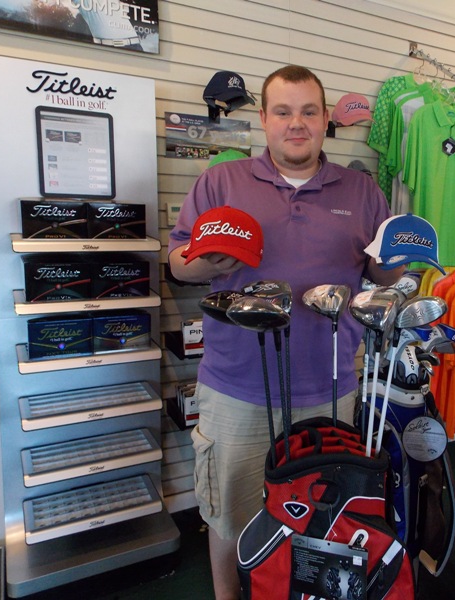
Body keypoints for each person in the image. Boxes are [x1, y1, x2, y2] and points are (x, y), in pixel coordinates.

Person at [167, 65, 402, 600]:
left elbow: (381, 274)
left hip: (331, 389)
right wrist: (206, 262)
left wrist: (399, 264)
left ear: (324, 119)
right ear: (264, 119)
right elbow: (179, 261)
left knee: (320, 513)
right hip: (237, 388)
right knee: (230, 514)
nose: (297, 123)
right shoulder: (220, 182)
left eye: (308, 111)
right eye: (283, 111)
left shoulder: (362, 190)